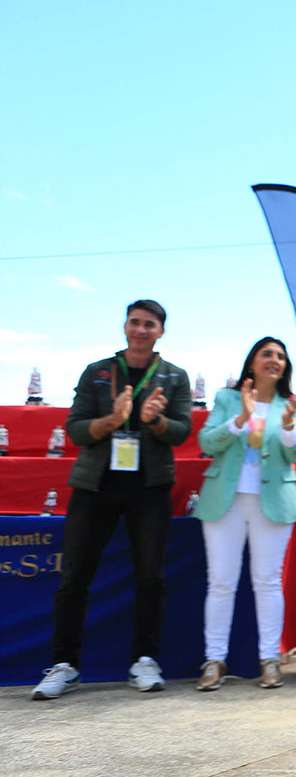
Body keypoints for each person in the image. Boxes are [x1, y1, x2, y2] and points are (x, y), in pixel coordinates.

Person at [32, 300, 192, 700]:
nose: (140, 330)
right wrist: (114, 420)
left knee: (150, 577)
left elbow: (181, 432)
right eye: (134, 322)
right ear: (125, 326)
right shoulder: (98, 371)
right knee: (74, 578)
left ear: (161, 331)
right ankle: (64, 665)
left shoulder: (174, 376)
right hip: (96, 485)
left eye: (149, 324)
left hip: (150, 487)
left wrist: (155, 420)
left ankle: (144, 660)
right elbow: (75, 430)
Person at [192, 338, 296, 691]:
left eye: (281, 356)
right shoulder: (227, 398)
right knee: (221, 581)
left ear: (285, 367)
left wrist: (287, 424)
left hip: (272, 502)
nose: (274, 360)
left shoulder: (293, 405)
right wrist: (242, 417)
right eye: (267, 354)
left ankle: (269, 658)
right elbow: (206, 442)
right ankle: (214, 660)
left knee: (267, 581)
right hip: (225, 501)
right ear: (252, 363)